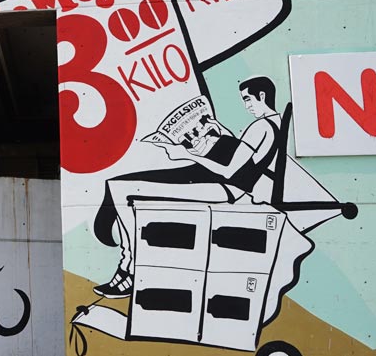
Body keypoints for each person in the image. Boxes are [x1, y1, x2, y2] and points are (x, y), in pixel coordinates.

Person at [91, 76, 283, 299]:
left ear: (262, 96)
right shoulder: (272, 125)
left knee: (122, 189)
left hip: (222, 186)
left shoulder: (261, 127)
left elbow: (231, 171)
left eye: (248, 99)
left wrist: (187, 154)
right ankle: (128, 265)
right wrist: (218, 129)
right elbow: (245, 159)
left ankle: (131, 268)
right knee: (119, 185)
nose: (247, 105)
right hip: (217, 180)